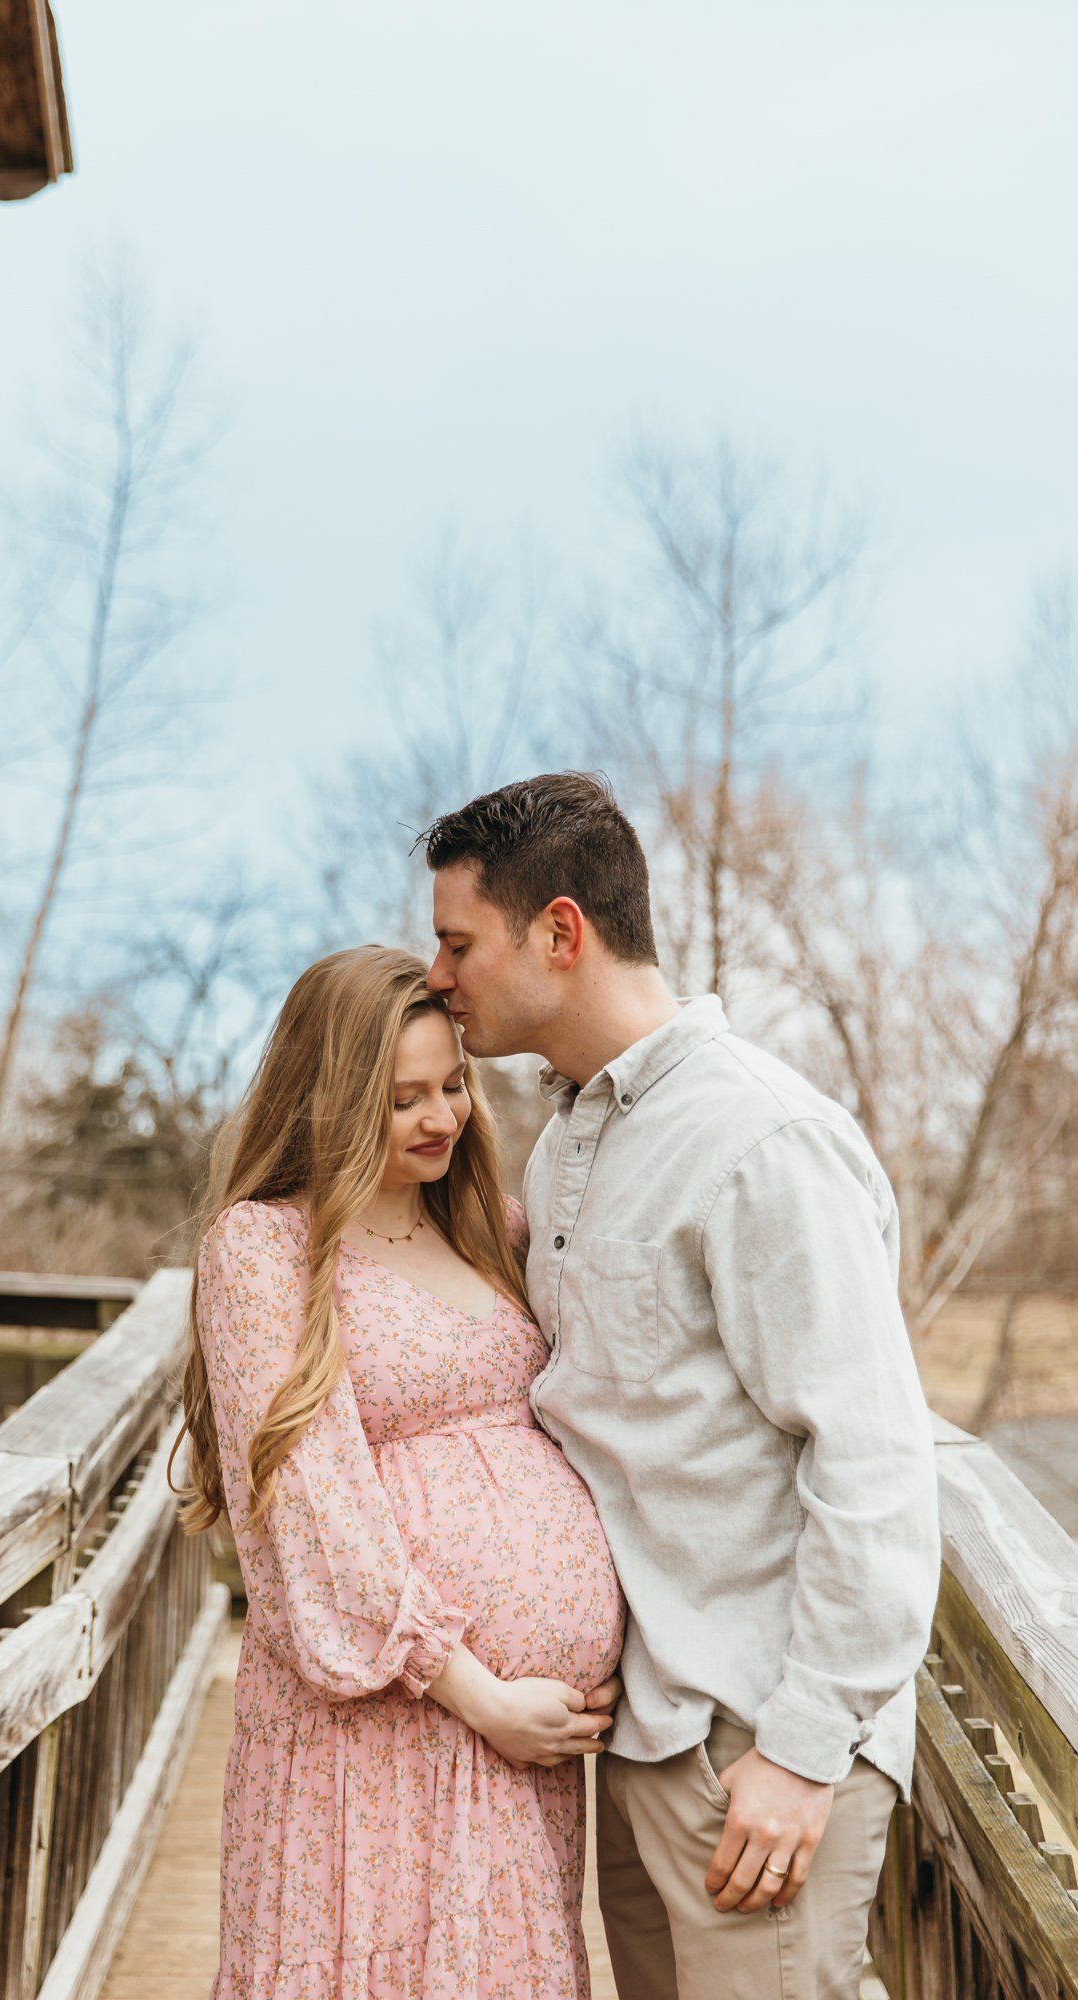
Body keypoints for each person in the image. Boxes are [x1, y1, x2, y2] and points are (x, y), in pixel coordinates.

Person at [421, 771, 941, 2000]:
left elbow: (872, 1459)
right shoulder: (569, 1138)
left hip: (757, 1735)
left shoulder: (759, 1140)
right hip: (641, 1726)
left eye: (457, 943)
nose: (438, 975)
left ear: (559, 930)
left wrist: (802, 1748)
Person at [171, 945, 627, 2000]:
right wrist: (476, 1691)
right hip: (381, 1722)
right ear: (328, 1100)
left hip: (519, 1739)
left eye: (452, 1085)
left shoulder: (496, 1230)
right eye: (400, 1098)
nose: (440, 1118)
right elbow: (308, 1507)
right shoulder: (264, 1249)